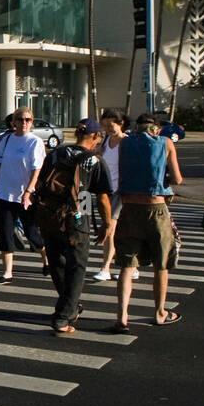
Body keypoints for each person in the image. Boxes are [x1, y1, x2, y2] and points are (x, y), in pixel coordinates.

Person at [36, 119, 113, 336]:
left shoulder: (56, 154)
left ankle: (69, 305)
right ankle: (62, 317)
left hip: (50, 216)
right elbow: (102, 198)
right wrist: (106, 224)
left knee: (57, 263)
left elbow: (41, 181)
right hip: (78, 217)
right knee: (77, 266)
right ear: (96, 137)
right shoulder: (94, 161)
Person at [112, 112, 182, 332]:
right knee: (161, 264)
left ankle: (122, 316)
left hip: (130, 208)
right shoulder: (165, 142)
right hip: (156, 208)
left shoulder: (125, 143)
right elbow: (178, 178)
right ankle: (160, 312)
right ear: (157, 129)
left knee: (126, 265)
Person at [0, 108, 48, 283]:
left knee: (31, 233)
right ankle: (8, 272)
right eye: (20, 119)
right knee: (5, 233)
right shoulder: (6, 140)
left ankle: (46, 259)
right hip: (5, 193)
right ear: (14, 122)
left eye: (28, 120)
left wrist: (28, 192)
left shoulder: (34, 142)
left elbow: (37, 170)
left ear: (32, 122)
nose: (24, 123)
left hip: (25, 196)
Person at [93, 108, 127, 281]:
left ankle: (105, 267)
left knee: (109, 228)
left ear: (121, 124)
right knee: (120, 231)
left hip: (121, 192)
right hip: (107, 190)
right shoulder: (106, 140)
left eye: (111, 124)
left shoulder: (126, 142)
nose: (108, 128)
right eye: (105, 125)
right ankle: (131, 265)